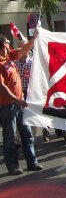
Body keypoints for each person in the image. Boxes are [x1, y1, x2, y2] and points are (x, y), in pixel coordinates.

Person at [0, 34, 43, 175]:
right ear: (3, 45)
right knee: (10, 138)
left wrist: (35, 37)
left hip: (19, 104)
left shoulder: (10, 56)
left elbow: (24, 49)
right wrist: (16, 99)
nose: (9, 43)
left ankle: (32, 162)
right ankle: (12, 166)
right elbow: (2, 87)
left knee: (27, 134)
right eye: (7, 42)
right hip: (8, 106)